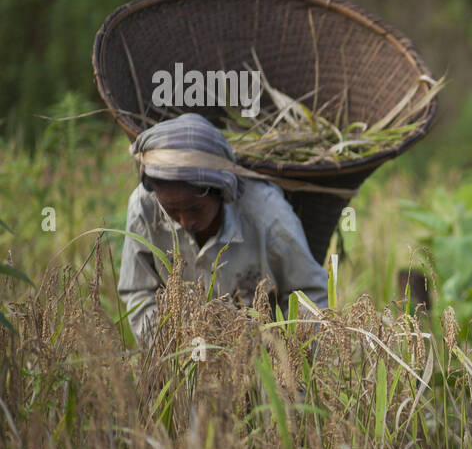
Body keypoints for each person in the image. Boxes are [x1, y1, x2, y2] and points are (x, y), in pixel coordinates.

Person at [117, 113, 330, 348]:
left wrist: (286, 363)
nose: (186, 222)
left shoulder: (268, 217)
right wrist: (172, 350)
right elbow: (139, 291)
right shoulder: (144, 208)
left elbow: (310, 296)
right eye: (172, 210)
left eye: (196, 209)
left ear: (222, 192)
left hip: (264, 357)